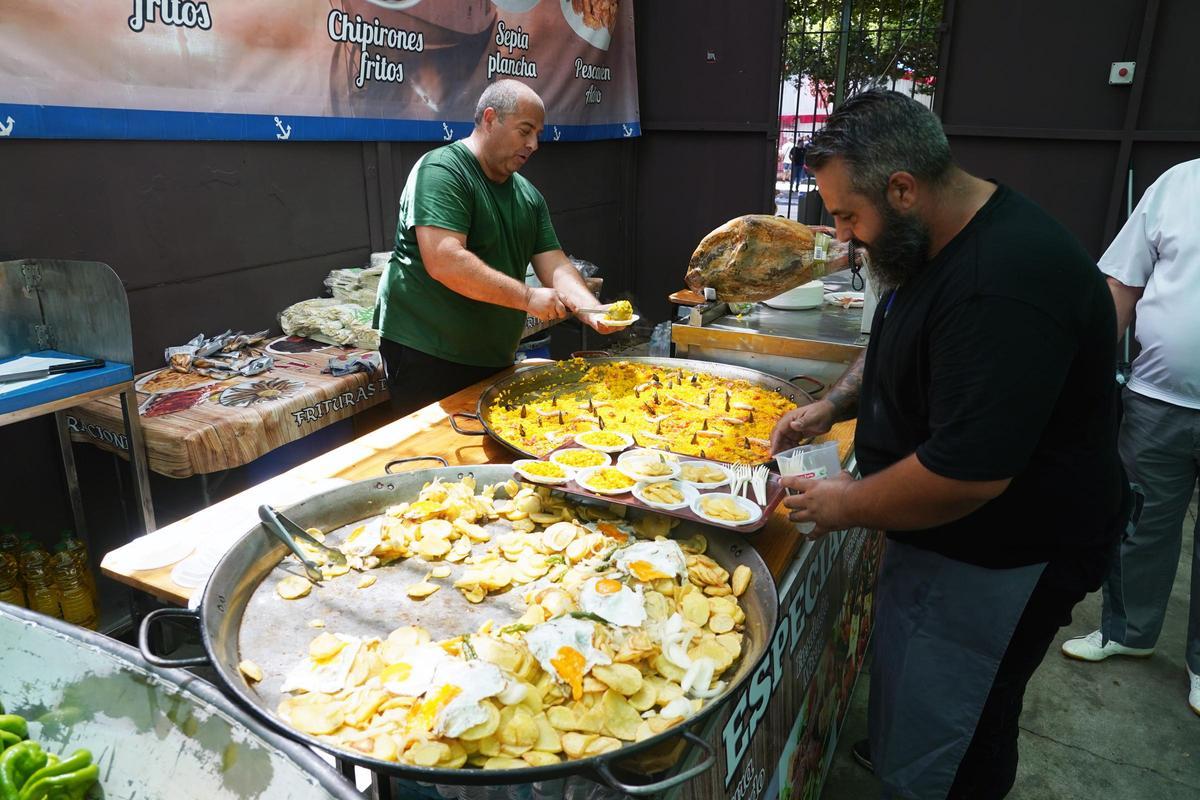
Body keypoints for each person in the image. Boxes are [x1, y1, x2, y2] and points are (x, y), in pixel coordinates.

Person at [769, 90, 1130, 799]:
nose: (843, 236)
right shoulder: (938, 234)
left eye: (847, 215)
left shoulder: (1001, 282)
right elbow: (899, 337)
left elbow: (967, 476)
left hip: (1008, 550)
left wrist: (844, 504)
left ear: (902, 189)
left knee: (964, 725)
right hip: (957, 538)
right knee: (923, 700)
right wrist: (834, 405)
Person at [374, 80, 616, 416]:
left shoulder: (528, 195)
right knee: (437, 455)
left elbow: (555, 263)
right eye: (525, 131)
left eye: (538, 134)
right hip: (428, 353)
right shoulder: (442, 171)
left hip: (492, 356)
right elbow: (445, 260)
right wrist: (529, 298)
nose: (533, 144)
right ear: (490, 119)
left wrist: (590, 309)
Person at [1060, 158, 1200, 717]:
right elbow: (1123, 283)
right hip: (1158, 399)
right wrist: (1080, 373)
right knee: (1139, 523)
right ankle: (1129, 630)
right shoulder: (1179, 183)